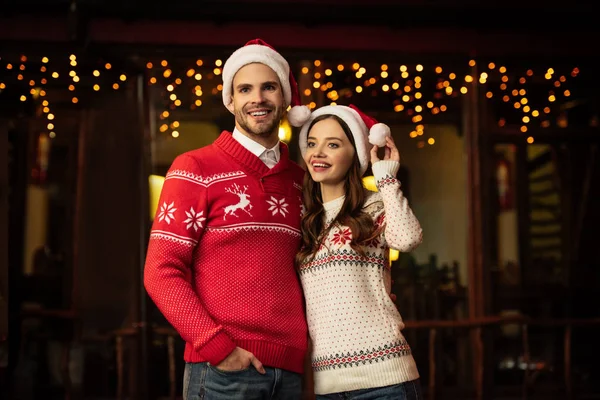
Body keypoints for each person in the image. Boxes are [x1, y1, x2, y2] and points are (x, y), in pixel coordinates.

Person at [143, 38, 313, 400]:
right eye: (245, 88)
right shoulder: (194, 168)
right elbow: (161, 271)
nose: (258, 98)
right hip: (223, 372)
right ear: (230, 100)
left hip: (292, 372)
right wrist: (216, 347)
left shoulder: (302, 182)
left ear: (284, 98)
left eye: (269, 87)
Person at [296, 104, 424, 399]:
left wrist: (386, 178)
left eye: (333, 144)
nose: (318, 153)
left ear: (356, 154)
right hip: (328, 383)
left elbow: (407, 239)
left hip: (387, 379)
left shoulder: (374, 206)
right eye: (312, 143)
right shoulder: (303, 219)